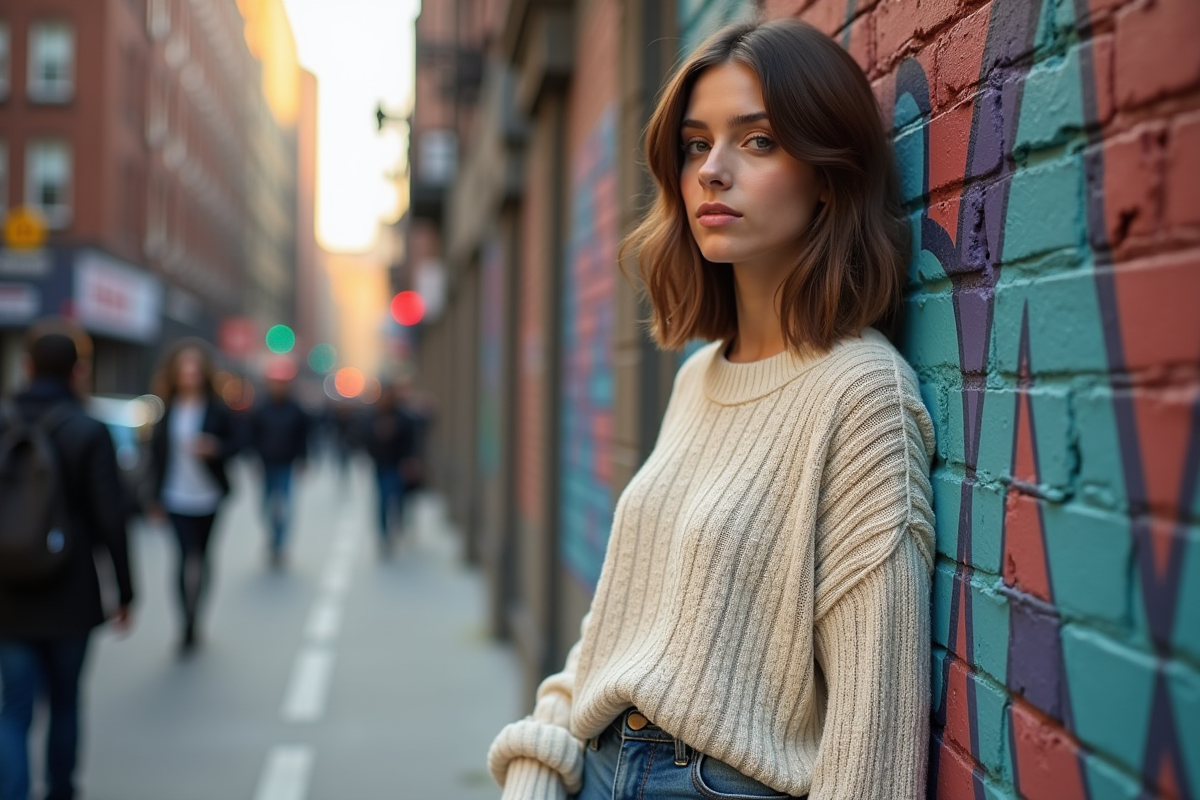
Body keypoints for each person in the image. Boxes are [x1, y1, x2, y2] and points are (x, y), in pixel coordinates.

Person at [488, 19, 935, 800]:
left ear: (828, 174)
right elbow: (614, 630)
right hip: (592, 771)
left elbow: (873, 747)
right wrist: (534, 773)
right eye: (697, 145)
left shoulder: (862, 395)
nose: (713, 172)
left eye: (757, 142)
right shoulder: (698, 378)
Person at [0, 324, 135, 800]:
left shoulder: (3, 421)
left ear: (27, 366)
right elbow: (110, 517)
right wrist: (126, 589)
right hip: (71, 590)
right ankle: (61, 791)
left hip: (9, 591)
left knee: (13, 709)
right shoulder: (88, 430)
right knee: (65, 702)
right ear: (79, 371)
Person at [148, 339, 238, 653]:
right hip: (174, 496)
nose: (189, 373)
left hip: (209, 495)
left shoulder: (216, 408)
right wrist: (153, 498)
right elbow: (155, 456)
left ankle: (198, 615)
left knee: (203, 557)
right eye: (183, 367)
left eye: (195, 368)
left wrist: (215, 448)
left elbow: (236, 443)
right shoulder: (166, 409)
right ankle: (184, 622)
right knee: (184, 557)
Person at [247, 364, 309, 568]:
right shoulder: (261, 408)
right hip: (266, 463)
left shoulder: (295, 409)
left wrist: (303, 458)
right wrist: (254, 459)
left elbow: (303, 436)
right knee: (265, 506)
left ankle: (280, 543)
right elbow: (253, 436)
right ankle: (272, 537)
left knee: (285, 505)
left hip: (286, 464)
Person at [364, 382, 417, 556]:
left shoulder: (402, 417)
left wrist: (409, 460)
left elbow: (411, 438)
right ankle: (384, 534)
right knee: (382, 500)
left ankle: (397, 525)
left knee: (396, 498)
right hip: (380, 464)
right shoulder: (373, 416)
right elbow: (364, 436)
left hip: (397, 464)